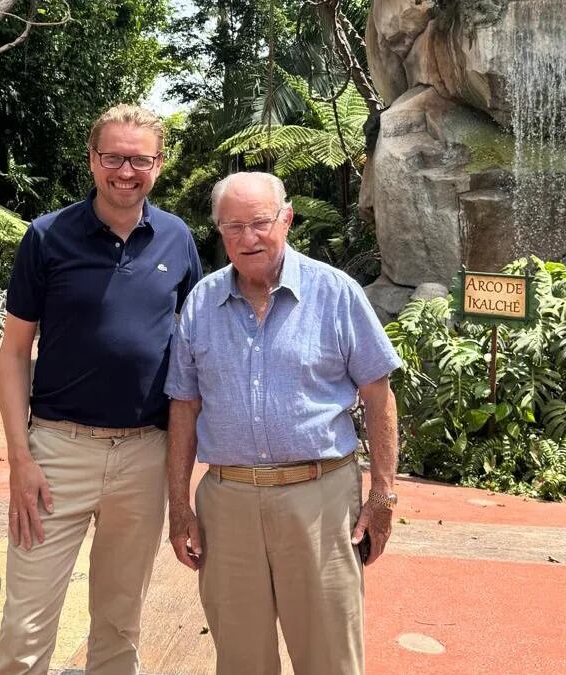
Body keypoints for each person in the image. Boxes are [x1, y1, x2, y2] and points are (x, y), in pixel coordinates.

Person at [0, 104, 203, 675]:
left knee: (119, 621)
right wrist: (20, 460)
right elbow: (13, 354)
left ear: (159, 164)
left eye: (139, 159)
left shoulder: (178, 240)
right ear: (92, 160)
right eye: (114, 157)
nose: (125, 171)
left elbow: (195, 351)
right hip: (57, 453)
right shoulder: (47, 236)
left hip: (143, 455)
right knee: (26, 627)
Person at [164, 172, 401, 675]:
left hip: (320, 499)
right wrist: (178, 506)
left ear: (286, 220)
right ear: (219, 232)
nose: (248, 238)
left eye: (260, 223)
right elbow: (183, 406)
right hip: (227, 503)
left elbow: (379, 397)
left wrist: (382, 494)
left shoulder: (336, 293)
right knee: (241, 660)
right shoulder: (201, 303)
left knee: (329, 658)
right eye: (233, 227)